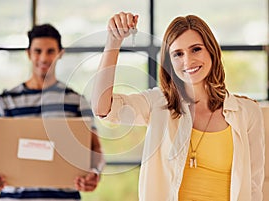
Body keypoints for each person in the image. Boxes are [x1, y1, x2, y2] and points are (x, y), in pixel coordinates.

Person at [91, 12, 265, 201]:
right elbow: (103, 108)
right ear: (170, 63)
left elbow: (253, 188)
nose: (188, 61)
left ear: (211, 51)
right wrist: (113, 42)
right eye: (178, 54)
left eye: (196, 49)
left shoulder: (247, 112)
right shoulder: (158, 104)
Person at [0, 24, 104, 200]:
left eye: (50, 51)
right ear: (29, 53)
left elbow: (95, 147)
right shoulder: (5, 101)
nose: (44, 58)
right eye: (37, 51)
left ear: (60, 53)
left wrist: (95, 172)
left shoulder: (76, 101)